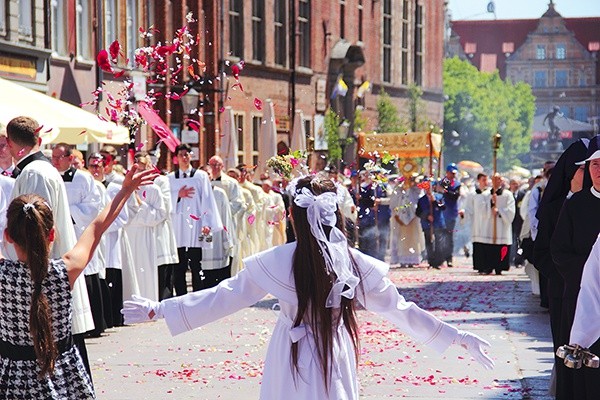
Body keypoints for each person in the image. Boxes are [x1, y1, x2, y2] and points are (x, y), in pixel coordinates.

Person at [122, 175, 494, 399]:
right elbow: (402, 311)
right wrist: (457, 335)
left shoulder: (281, 260)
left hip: (291, 350)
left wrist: (161, 309)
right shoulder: (352, 262)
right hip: (334, 348)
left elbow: (226, 296)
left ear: (293, 215)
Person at [0, 164, 156, 398]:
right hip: (63, 376)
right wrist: (125, 190)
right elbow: (97, 226)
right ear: (52, 234)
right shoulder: (66, 269)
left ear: (7, 237)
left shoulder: (3, 275)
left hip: (12, 380)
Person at [5, 116, 95, 375]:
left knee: (57, 368)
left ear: (11, 143)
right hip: (46, 280)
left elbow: (34, 231)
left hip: (43, 281)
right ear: (39, 139)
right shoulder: (37, 170)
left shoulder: (34, 173)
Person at [533, 139, 590, 399]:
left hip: (593, 293)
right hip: (565, 291)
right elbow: (541, 252)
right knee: (569, 357)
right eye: (583, 167)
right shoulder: (555, 207)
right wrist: (567, 274)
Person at [551, 138, 600, 400]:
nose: (599, 170)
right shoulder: (574, 205)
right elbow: (558, 250)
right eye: (594, 164)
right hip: (580, 294)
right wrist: (590, 270)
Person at [168, 144, 222, 295]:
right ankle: (180, 297)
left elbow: (207, 200)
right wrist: (178, 195)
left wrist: (207, 224)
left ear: (191, 156)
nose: (184, 158)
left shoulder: (200, 176)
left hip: (196, 225)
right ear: (176, 158)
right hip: (178, 228)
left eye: (187, 154)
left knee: (196, 264)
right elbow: (166, 202)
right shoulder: (170, 178)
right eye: (181, 155)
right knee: (178, 265)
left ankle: (198, 296)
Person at [389, 175, 423, 267]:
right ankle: (402, 260)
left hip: (414, 218)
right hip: (399, 218)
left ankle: (413, 259)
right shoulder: (398, 190)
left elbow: (420, 200)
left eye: (411, 179)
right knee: (401, 239)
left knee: (413, 238)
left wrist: (415, 185)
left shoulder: (416, 190)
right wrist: (396, 214)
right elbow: (393, 203)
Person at [416, 180, 446, 270]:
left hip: (438, 223)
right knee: (429, 243)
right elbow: (418, 212)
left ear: (433, 187)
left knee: (439, 243)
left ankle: (438, 261)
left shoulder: (439, 196)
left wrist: (434, 201)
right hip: (427, 224)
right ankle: (431, 261)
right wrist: (426, 216)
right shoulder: (421, 200)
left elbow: (443, 207)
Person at [441, 163, 462, 267]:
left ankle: (449, 258)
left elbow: (455, 196)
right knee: (440, 235)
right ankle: (439, 257)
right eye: (451, 173)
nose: (452, 175)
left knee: (449, 236)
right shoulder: (441, 182)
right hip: (440, 213)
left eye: (454, 173)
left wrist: (446, 191)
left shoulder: (457, 184)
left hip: (451, 214)